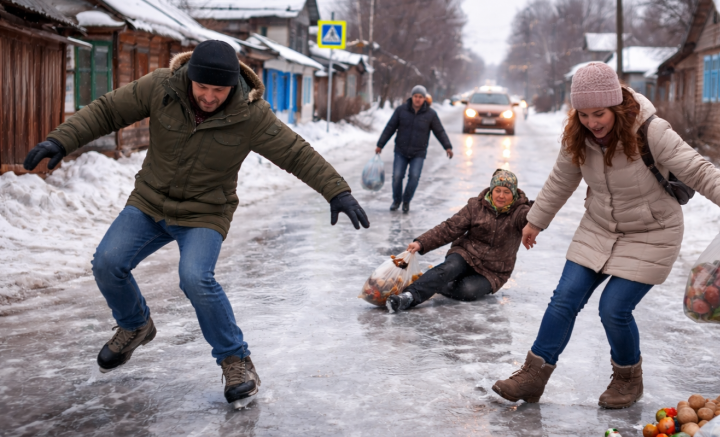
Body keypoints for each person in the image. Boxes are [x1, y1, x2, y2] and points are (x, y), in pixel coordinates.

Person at [22, 40, 369, 408]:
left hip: (205, 211)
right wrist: (61, 140)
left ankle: (236, 361)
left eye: (218, 90)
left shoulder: (250, 114)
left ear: (233, 85)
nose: (208, 96)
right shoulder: (162, 86)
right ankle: (135, 324)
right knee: (107, 263)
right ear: (190, 77)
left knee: (195, 277)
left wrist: (336, 192)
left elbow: (296, 153)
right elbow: (108, 110)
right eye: (201, 87)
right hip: (150, 201)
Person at [491, 62, 720, 408]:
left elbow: (698, 169)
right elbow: (561, 179)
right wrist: (535, 221)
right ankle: (533, 377)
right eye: (584, 115)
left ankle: (627, 379)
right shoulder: (579, 137)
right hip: (599, 227)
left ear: (616, 107)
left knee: (613, 308)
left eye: (599, 113)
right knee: (565, 298)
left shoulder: (651, 131)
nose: (592, 122)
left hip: (652, 233)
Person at [387, 169, 532, 312]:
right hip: (466, 254)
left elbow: (533, 217)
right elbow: (450, 227)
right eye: (497, 190)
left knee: (467, 290)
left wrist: (539, 212)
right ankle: (409, 296)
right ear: (491, 190)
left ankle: (433, 280)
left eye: (506, 192)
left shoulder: (519, 212)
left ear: (513, 194)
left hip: (494, 270)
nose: (501, 196)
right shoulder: (476, 206)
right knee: (450, 268)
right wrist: (421, 242)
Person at [375, 85, 453, 213]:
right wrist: (380, 144)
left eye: (420, 97)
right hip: (401, 150)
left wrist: (447, 147)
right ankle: (396, 200)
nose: (417, 99)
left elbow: (440, 131)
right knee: (397, 176)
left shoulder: (431, 114)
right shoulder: (401, 110)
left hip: (419, 152)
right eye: (415, 96)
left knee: (414, 177)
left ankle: (406, 201)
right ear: (412, 97)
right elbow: (390, 127)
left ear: (424, 99)